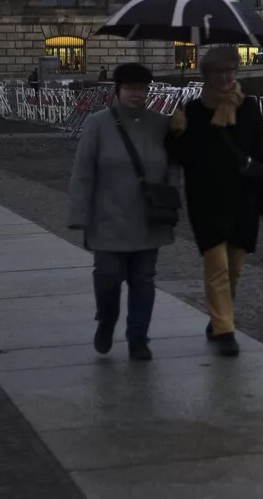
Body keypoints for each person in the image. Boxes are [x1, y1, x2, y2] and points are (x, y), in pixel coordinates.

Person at [168, 45, 263, 358]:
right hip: (206, 198)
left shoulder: (247, 108)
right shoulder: (192, 111)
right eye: (218, 72)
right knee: (216, 266)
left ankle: (220, 316)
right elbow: (184, 158)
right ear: (206, 76)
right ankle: (224, 329)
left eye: (230, 71)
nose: (224, 77)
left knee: (234, 269)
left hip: (242, 198)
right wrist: (176, 134)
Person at [67, 62, 177, 361]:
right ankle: (106, 321)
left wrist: (184, 133)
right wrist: (79, 214)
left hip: (148, 219)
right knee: (107, 276)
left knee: (143, 280)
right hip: (107, 218)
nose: (136, 94)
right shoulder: (97, 124)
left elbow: (175, 166)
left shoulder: (161, 124)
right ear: (117, 90)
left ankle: (138, 338)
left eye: (141, 88)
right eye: (130, 87)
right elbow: (82, 172)